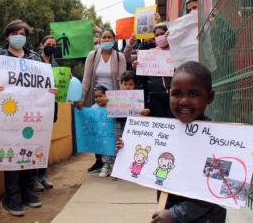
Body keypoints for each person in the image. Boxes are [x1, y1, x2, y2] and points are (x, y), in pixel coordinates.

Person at [115, 61, 226, 223]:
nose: (184, 101)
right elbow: (150, 162)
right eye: (177, 94)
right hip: (169, 209)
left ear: (209, 97)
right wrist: (127, 151)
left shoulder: (216, 140)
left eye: (193, 94)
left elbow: (212, 189)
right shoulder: (166, 132)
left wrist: (176, 215)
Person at [0, 20, 59, 217]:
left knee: (29, 154)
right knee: (12, 158)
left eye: (22, 33)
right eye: (15, 33)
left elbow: (43, 82)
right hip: (8, 116)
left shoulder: (33, 57)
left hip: (31, 115)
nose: (19, 36)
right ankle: (11, 199)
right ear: (7, 36)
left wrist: (51, 90)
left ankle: (28, 194)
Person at [76, 28, 126, 173]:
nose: (106, 40)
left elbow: (121, 79)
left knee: (113, 131)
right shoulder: (92, 55)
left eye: (109, 37)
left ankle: (115, 162)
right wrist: (82, 98)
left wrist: (118, 100)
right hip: (96, 98)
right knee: (97, 130)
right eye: (104, 37)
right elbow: (87, 78)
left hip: (113, 100)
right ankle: (99, 161)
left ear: (114, 40)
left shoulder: (119, 57)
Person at [30, 35, 59, 192]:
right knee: (34, 143)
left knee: (44, 144)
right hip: (36, 109)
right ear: (41, 45)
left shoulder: (55, 65)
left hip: (50, 108)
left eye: (54, 45)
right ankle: (33, 177)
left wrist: (65, 80)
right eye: (48, 44)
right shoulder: (34, 63)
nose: (51, 47)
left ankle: (42, 175)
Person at [128, 23, 174, 118]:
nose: (160, 37)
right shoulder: (149, 53)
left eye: (162, 34)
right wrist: (135, 68)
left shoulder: (175, 51)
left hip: (174, 93)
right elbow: (142, 77)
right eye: (157, 35)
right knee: (160, 122)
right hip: (155, 94)